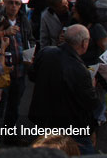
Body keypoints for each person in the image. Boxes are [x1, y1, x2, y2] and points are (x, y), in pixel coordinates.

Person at [28, 24, 99, 154]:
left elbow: (32, 75)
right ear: (84, 43)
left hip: (44, 118)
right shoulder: (79, 69)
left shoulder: (46, 52)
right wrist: (92, 87)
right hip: (71, 126)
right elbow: (90, 102)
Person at [0, 0, 34, 130]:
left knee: (14, 106)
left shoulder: (23, 20)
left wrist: (30, 53)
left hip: (19, 71)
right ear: (5, 2)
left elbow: (30, 39)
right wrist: (5, 33)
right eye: (11, 2)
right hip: (2, 72)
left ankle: (9, 134)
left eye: (17, 3)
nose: (14, 6)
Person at [73, 0, 107, 66]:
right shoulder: (73, 24)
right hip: (75, 66)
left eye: (75, 7)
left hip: (91, 68)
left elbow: (106, 50)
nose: (73, 8)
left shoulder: (96, 28)